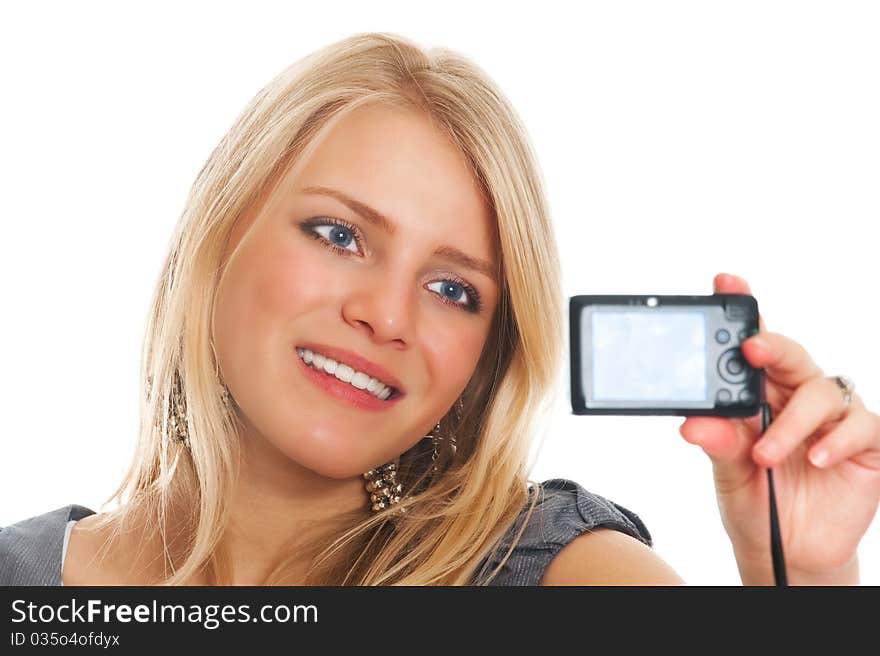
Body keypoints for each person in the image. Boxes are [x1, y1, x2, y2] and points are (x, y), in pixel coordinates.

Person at [1, 32, 878, 586]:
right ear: (222, 228)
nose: (388, 317)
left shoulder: (568, 579)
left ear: (485, 355)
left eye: (454, 290)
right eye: (339, 234)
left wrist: (806, 581)